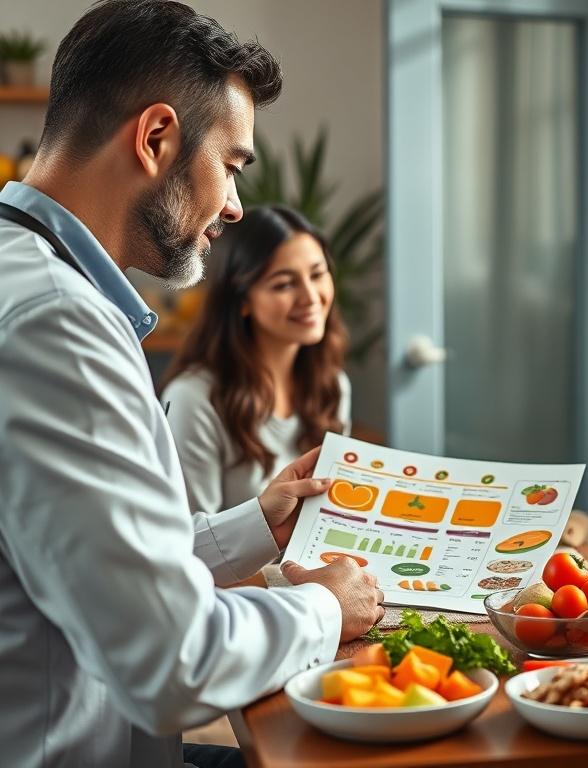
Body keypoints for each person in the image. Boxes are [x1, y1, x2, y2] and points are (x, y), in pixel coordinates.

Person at [0, 3, 383, 767]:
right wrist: (322, 608)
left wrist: (254, 525)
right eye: (233, 164)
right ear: (155, 138)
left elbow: (98, 561)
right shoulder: (57, 327)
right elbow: (172, 664)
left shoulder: (31, 278)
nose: (235, 205)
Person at [161, 205, 352, 514]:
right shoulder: (194, 399)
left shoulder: (333, 386)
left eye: (318, 274)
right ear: (242, 300)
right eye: (284, 284)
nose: (310, 297)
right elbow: (191, 543)